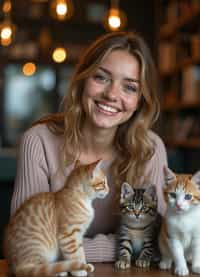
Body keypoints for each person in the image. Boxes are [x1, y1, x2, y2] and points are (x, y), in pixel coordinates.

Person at [10, 31, 168, 262]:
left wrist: (73, 250)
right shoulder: (39, 141)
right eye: (101, 77)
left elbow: (159, 239)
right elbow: (24, 244)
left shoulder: (150, 148)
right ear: (83, 80)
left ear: (140, 101)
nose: (112, 94)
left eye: (130, 88)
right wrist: (123, 248)